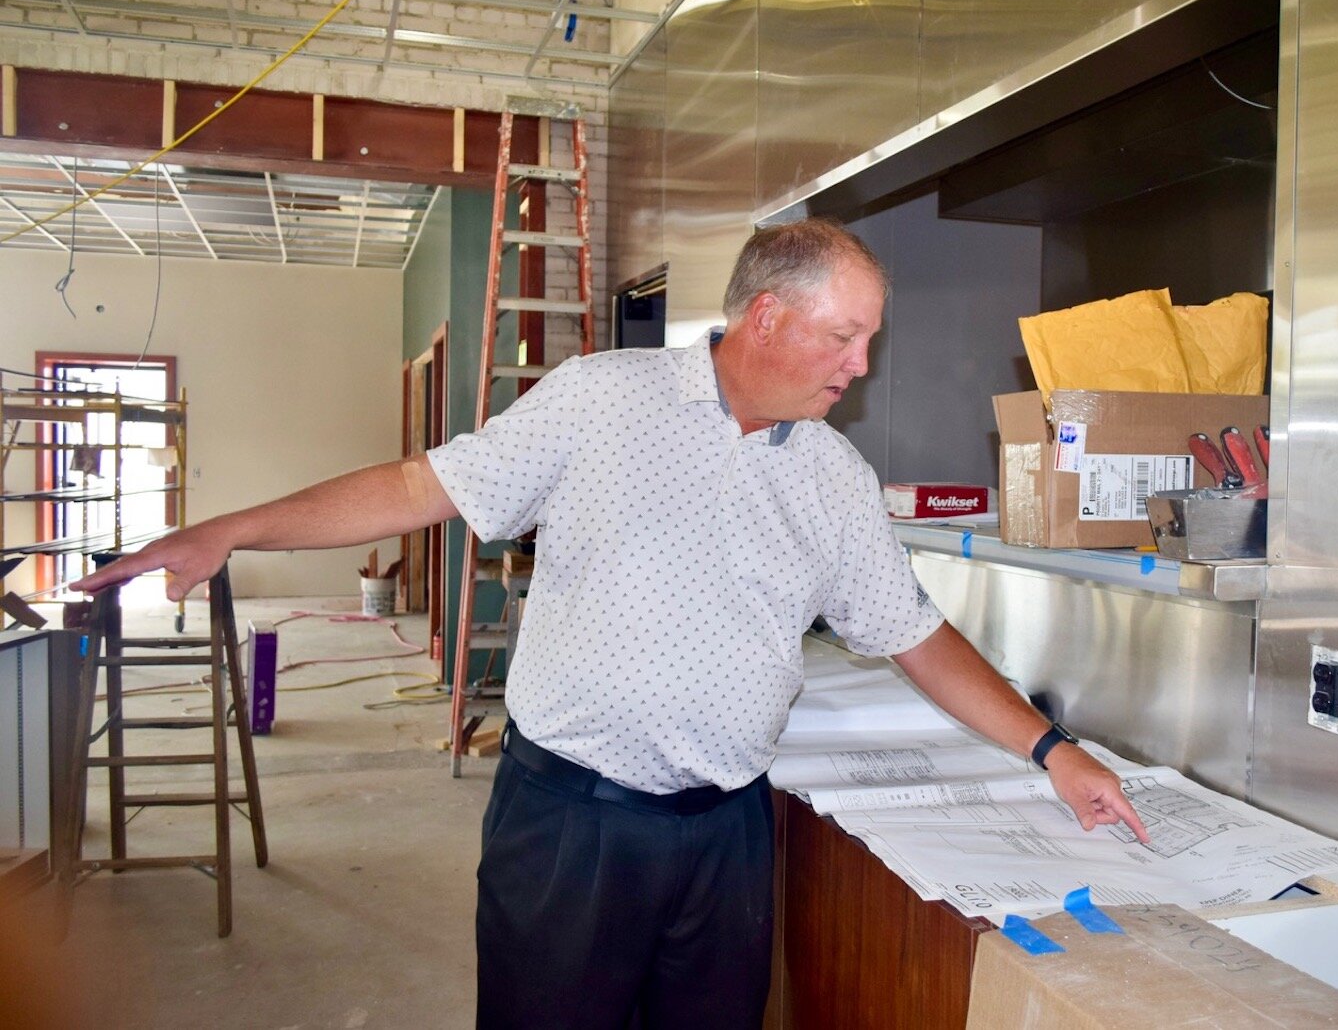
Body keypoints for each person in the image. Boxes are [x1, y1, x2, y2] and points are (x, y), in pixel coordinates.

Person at [75, 218, 1149, 1029]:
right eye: (844, 336)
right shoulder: (600, 398)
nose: (857, 365)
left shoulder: (830, 477)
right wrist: (228, 531)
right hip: (571, 828)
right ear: (766, 317)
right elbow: (420, 484)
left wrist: (1049, 751)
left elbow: (913, 631)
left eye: (864, 340)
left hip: (725, 837)